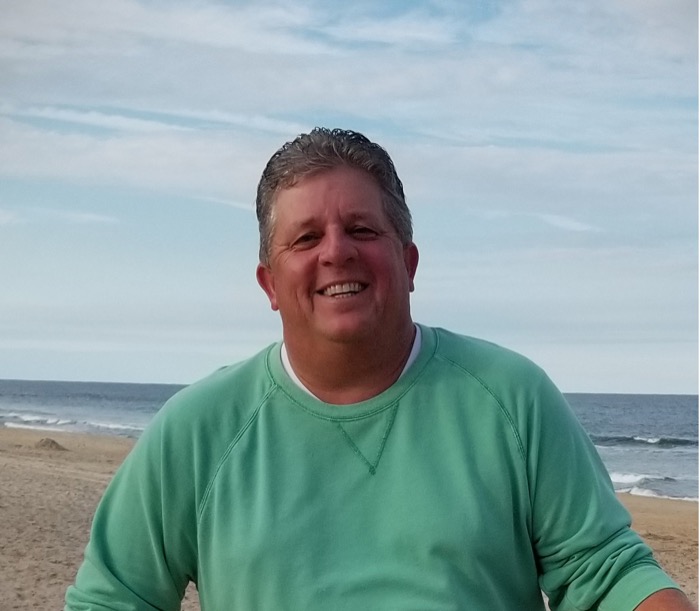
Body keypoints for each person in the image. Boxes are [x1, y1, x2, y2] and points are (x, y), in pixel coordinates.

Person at [65, 128, 694, 610]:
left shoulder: (511, 397)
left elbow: (604, 571)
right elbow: (114, 595)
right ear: (269, 284)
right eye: (306, 238)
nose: (337, 251)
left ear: (410, 261)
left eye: (362, 229)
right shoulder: (197, 430)